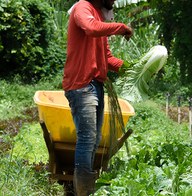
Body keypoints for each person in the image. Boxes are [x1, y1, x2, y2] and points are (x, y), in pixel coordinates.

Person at [62, 0, 132, 195]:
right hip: (82, 83)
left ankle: (85, 188)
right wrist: (121, 28)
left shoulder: (98, 17)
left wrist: (130, 68)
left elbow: (107, 57)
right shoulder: (83, 7)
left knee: (94, 139)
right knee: (87, 138)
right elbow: (91, 28)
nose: (114, 0)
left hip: (96, 84)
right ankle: (83, 192)